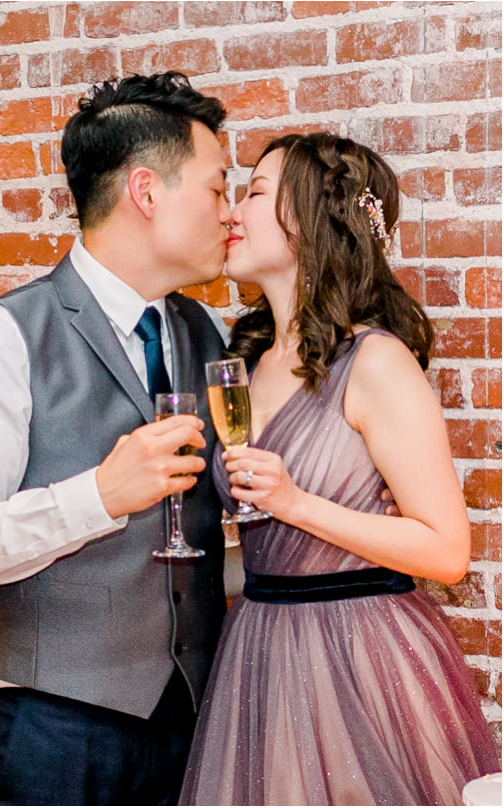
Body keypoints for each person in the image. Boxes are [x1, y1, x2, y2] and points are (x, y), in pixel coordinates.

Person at [0, 72, 232, 805]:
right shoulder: (0, 338)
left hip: (194, 721)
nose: (229, 213)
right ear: (146, 192)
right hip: (55, 739)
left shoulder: (203, 333)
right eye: (216, 189)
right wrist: (99, 495)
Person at [179, 133, 497, 805]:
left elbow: (445, 552)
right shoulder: (244, 362)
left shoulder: (375, 362)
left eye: (254, 194)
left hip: (360, 655)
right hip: (257, 650)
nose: (231, 213)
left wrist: (297, 504)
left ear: (312, 220)